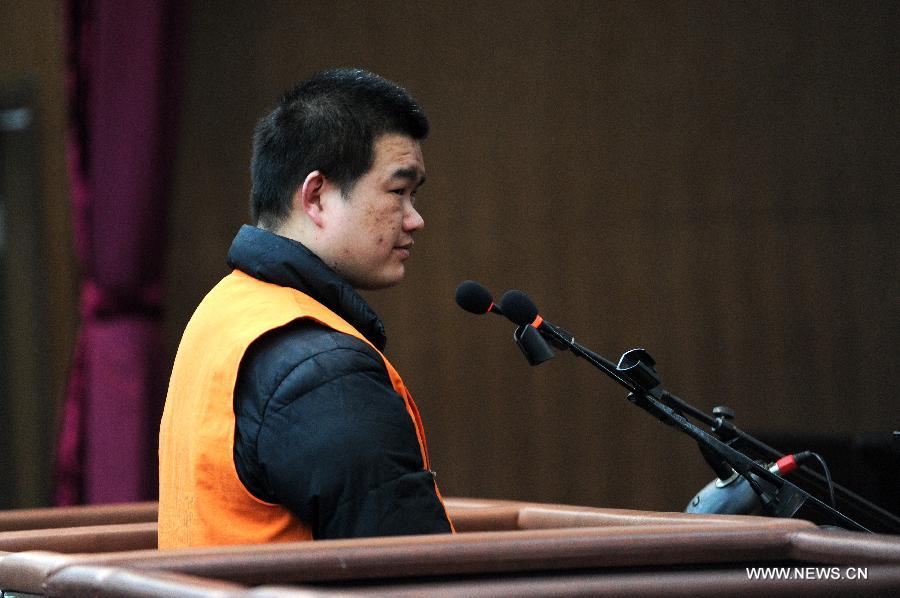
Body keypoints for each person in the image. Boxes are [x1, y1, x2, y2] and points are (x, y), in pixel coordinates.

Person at [158, 68, 454, 548]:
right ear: (316, 196)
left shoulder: (221, 310)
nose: (415, 219)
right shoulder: (322, 369)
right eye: (398, 191)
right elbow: (414, 577)